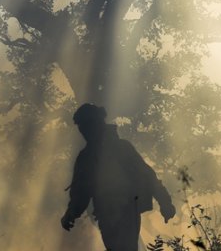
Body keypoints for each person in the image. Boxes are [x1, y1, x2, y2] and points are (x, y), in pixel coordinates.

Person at [61, 104, 176, 251]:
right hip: (117, 214)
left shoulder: (92, 155)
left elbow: (147, 175)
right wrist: (71, 214)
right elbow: (81, 192)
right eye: (81, 127)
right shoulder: (106, 152)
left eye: (85, 125)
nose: (83, 131)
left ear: (94, 124)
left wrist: (165, 202)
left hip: (121, 213)